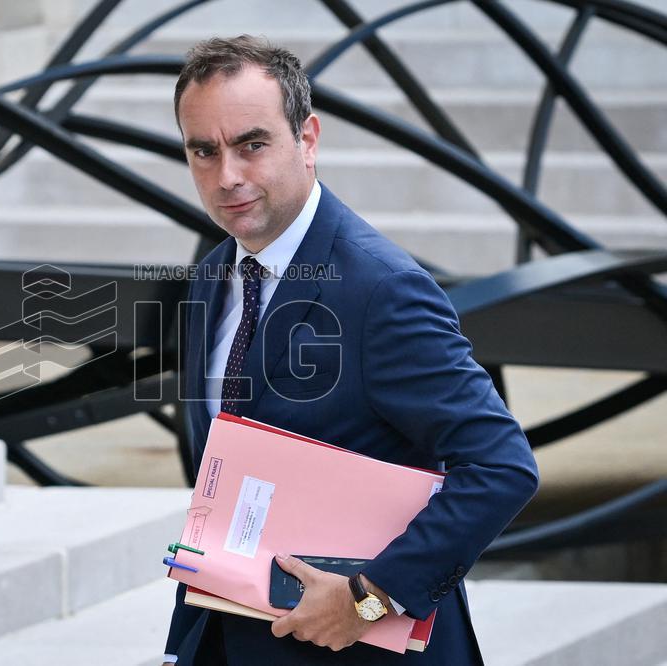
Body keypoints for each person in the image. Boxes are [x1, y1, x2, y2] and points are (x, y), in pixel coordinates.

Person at [163, 35, 539, 665]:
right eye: (204, 151)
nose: (226, 176)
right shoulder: (211, 278)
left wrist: (369, 598)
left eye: (252, 144)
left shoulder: (382, 288)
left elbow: (502, 468)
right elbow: (221, 480)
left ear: (307, 138)